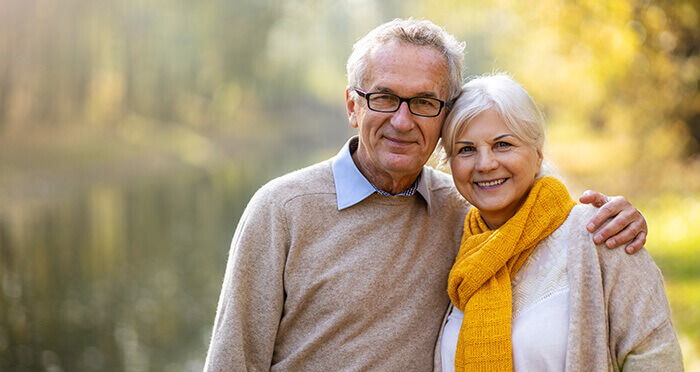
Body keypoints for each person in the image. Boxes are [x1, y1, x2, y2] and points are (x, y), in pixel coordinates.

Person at [204, 19, 649, 371]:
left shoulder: (466, 208)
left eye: (423, 102)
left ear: (445, 116)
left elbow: (540, 211)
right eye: (383, 97)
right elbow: (232, 361)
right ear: (352, 105)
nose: (401, 120)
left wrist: (616, 219)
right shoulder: (281, 210)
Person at [439, 73, 683, 371]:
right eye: (466, 149)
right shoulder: (458, 243)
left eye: (502, 144)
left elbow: (654, 354)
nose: (485, 164)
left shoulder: (600, 233)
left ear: (538, 152)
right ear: (450, 164)